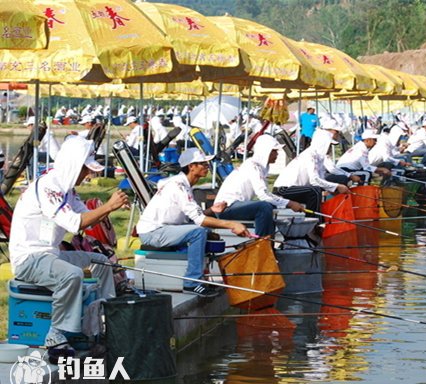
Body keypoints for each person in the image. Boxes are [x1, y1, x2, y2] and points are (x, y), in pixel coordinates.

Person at [9, 137, 129, 352]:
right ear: (73, 165)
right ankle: (56, 335)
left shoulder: (67, 189)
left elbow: (87, 217)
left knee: (102, 262)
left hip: (51, 255)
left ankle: (102, 321)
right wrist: (109, 206)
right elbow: (75, 223)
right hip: (29, 258)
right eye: (85, 169)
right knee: (72, 274)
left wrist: (111, 208)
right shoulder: (48, 187)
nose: (88, 175)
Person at [136, 148, 251, 297]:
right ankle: (191, 283)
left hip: (165, 229)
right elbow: (200, 221)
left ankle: (201, 276)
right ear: (191, 166)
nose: (207, 166)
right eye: (202, 163)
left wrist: (212, 210)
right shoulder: (178, 186)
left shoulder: (184, 185)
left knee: (205, 232)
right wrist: (232, 225)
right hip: (153, 232)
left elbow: (194, 217)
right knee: (198, 232)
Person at [215, 135, 304, 237]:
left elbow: (266, 194)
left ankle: (269, 243)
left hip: (234, 205)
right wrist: (290, 203)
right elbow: (263, 196)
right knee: (263, 206)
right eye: (274, 151)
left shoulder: (259, 167)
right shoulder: (253, 166)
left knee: (268, 206)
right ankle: (263, 243)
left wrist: (285, 202)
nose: (277, 154)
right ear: (265, 152)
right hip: (225, 208)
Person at [273, 129, 351, 212]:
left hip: (295, 188)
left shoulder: (318, 157)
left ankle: (320, 219)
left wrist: (333, 189)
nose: (330, 148)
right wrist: (337, 186)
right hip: (283, 189)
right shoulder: (310, 155)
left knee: (318, 190)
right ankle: (314, 221)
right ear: (322, 144)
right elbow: (314, 180)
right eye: (329, 145)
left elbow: (321, 180)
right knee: (315, 191)